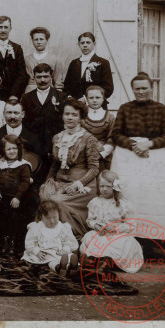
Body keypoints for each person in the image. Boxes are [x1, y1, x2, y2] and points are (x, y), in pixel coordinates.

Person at [110, 72, 165, 243]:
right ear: (133, 90)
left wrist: (148, 144)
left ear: (151, 88)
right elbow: (116, 134)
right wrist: (134, 145)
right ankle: (131, 238)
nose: (141, 92)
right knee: (130, 196)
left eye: (144, 88)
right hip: (128, 160)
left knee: (154, 196)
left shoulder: (162, 109)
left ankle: (156, 240)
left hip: (154, 160)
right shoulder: (125, 108)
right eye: (137, 88)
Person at [39, 98, 100, 239]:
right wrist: (46, 182)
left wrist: (78, 184)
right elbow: (55, 164)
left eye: (74, 115)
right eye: (67, 114)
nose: (70, 118)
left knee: (57, 202)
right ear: (62, 115)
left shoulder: (88, 138)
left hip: (81, 185)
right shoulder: (57, 138)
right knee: (45, 196)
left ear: (80, 118)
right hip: (59, 182)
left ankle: (71, 239)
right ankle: (49, 240)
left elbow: (94, 168)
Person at [80, 170, 144, 274]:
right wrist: (96, 226)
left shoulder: (123, 204)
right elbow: (90, 220)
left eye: (108, 186)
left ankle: (107, 261)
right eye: (102, 186)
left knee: (125, 243)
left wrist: (115, 228)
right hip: (100, 234)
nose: (104, 189)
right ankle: (91, 260)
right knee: (89, 236)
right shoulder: (95, 202)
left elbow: (131, 225)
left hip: (117, 235)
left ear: (114, 187)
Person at [0, 135, 31, 256]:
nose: (12, 151)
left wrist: (17, 197)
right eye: (8, 149)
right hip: (0, 197)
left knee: (12, 220)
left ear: (19, 149)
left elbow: (25, 182)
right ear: (3, 151)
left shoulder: (23, 165)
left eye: (14, 148)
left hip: (14, 198)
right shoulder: (0, 163)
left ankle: (11, 242)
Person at [20, 63, 68, 162]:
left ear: (51, 77)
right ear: (33, 78)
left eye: (46, 76)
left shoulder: (61, 96)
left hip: (54, 144)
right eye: (39, 77)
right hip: (33, 146)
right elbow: (23, 123)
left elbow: (65, 122)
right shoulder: (26, 98)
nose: (42, 80)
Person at [21, 200, 80, 277]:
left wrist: (65, 249)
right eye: (48, 218)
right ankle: (59, 268)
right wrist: (37, 251)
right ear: (41, 217)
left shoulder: (63, 227)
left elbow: (69, 241)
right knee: (51, 260)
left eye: (55, 217)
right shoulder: (36, 227)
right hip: (44, 252)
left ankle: (72, 268)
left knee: (68, 256)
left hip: (59, 252)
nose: (52, 221)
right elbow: (31, 242)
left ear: (59, 214)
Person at [63, 32, 113, 104]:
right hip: (76, 105)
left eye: (88, 42)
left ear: (94, 44)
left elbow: (108, 88)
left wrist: (86, 99)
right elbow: (67, 86)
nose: (85, 45)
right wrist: (71, 99)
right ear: (79, 45)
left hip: (96, 104)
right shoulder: (74, 63)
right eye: (82, 43)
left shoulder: (103, 63)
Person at [81, 85, 115, 171]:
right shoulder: (81, 116)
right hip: (83, 155)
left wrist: (101, 154)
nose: (94, 100)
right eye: (91, 98)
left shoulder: (110, 117)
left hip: (103, 156)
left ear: (103, 98)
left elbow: (112, 139)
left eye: (98, 97)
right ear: (87, 99)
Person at [23, 27, 64, 93]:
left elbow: (58, 83)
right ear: (32, 41)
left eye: (41, 39)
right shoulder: (26, 59)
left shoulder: (55, 59)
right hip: (30, 92)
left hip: (49, 92)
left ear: (46, 40)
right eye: (36, 39)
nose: (39, 42)